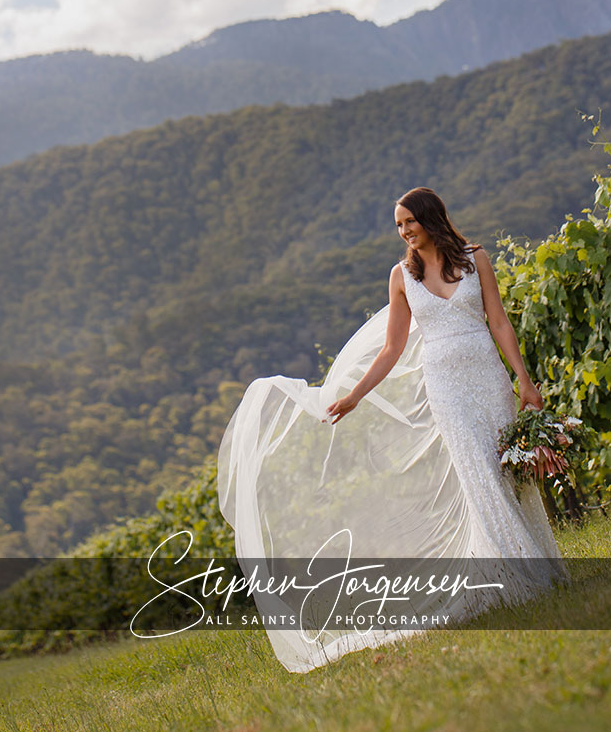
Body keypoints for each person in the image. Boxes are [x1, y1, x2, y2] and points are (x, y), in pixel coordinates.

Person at [217, 187, 568, 673]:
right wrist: (355, 395)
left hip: (488, 379)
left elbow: (500, 322)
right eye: (398, 225)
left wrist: (524, 382)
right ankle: (517, 581)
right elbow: (392, 347)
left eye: (409, 222)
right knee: (479, 477)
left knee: (508, 475)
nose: (404, 232)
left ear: (431, 218)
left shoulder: (475, 259)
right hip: (446, 388)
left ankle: (531, 568)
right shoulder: (402, 276)